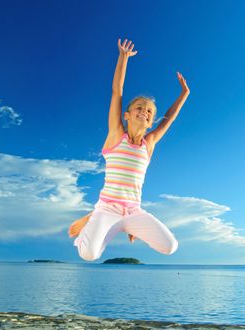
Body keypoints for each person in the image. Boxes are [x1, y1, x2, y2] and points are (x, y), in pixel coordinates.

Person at [69, 38, 190, 261]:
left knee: (170, 246)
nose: (144, 112)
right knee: (88, 254)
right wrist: (123, 57)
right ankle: (93, 217)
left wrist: (184, 94)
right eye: (139, 108)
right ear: (127, 114)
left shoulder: (149, 143)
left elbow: (169, 120)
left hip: (134, 211)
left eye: (150, 112)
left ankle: (130, 228)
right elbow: (117, 92)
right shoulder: (116, 134)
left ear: (152, 121)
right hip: (107, 209)